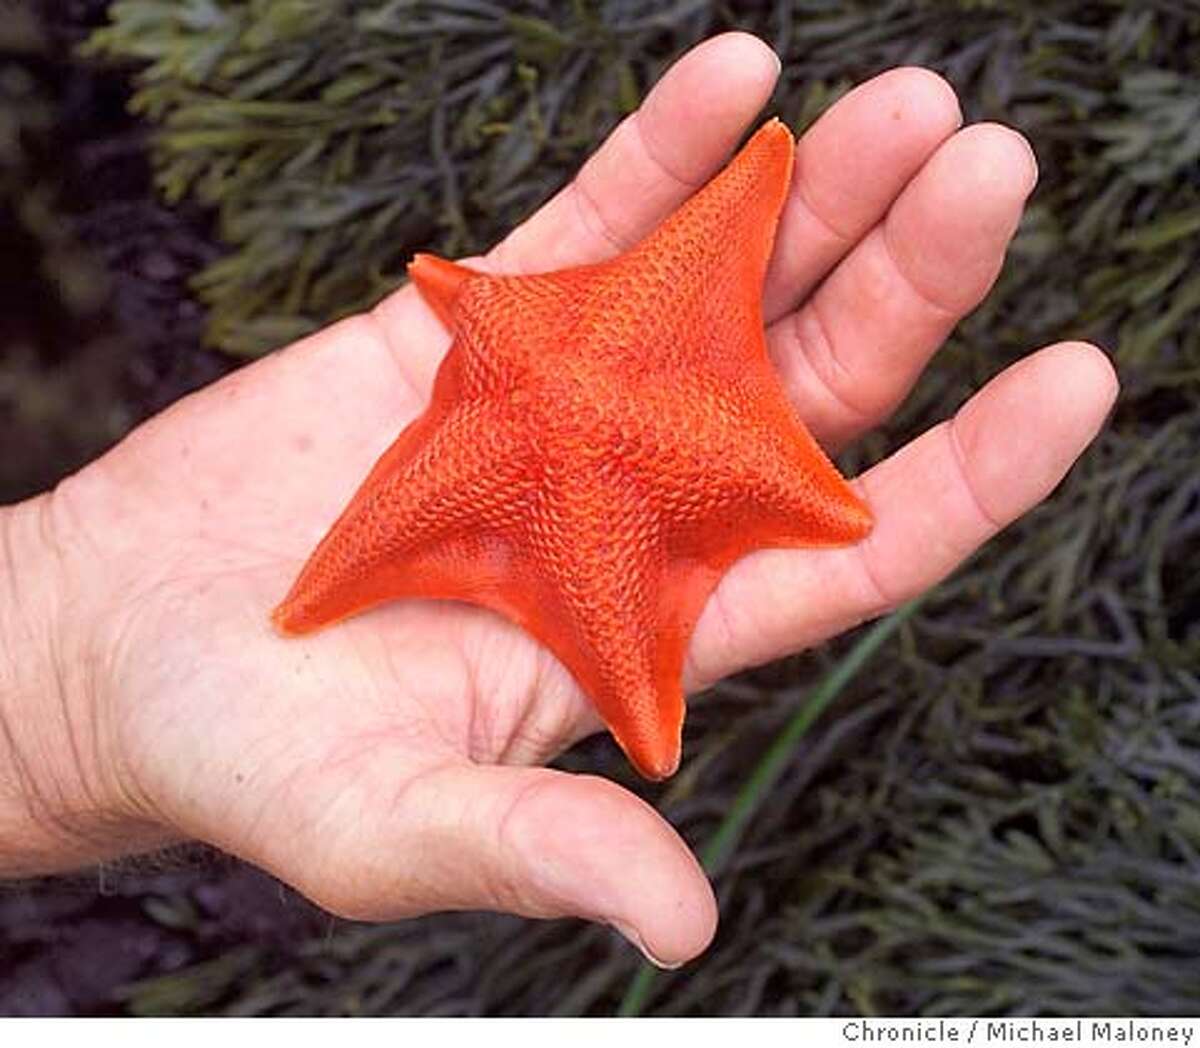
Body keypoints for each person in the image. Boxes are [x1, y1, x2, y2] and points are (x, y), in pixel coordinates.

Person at [0, 33, 1117, 969]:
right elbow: (470, 311)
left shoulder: (525, 331)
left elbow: (480, 303)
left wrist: (56, 677)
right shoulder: (502, 361)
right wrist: (54, 692)